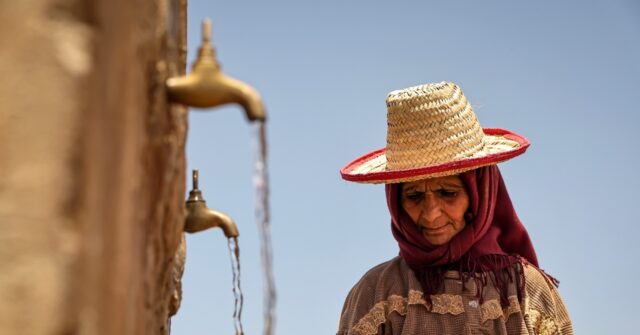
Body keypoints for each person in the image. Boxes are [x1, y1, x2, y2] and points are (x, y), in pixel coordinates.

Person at [337, 82, 572, 335]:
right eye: (414, 196)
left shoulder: (528, 292)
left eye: (448, 193)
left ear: (480, 192)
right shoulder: (378, 292)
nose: (431, 213)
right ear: (396, 202)